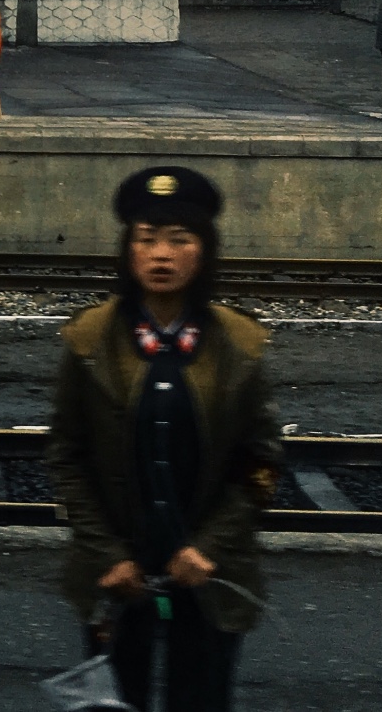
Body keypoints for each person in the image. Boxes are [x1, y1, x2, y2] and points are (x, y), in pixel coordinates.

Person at [47, 167, 282, 712]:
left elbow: (263, 462)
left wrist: (208, 549)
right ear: (128, 250)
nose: (161, 255)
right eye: (147, 239)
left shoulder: (238, 344)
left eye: (179, 239)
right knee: (115, 701)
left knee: (200, 698)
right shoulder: (90, 339)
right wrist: (106, 553)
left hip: (207, 573)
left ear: (203, 251)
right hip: (118, 573)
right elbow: (66, 455)